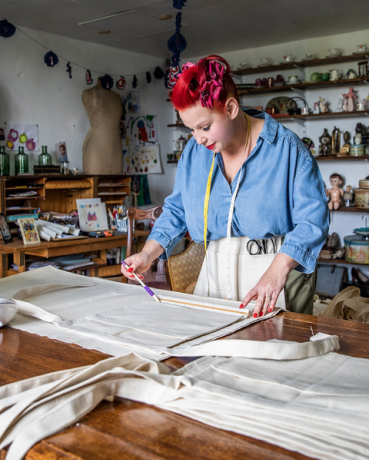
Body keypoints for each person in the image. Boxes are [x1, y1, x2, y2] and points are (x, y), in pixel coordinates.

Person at [121, 55, 329, 317]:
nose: (198, 139)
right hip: (216, 273)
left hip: (278, 273)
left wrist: (277, 271)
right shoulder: (195, 153)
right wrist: (147, 254)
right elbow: (177, 210)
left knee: (274, 350)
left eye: (205, 126)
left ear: (230, 108)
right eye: (191, 130)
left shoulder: (287, 150)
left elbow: (313, 221)